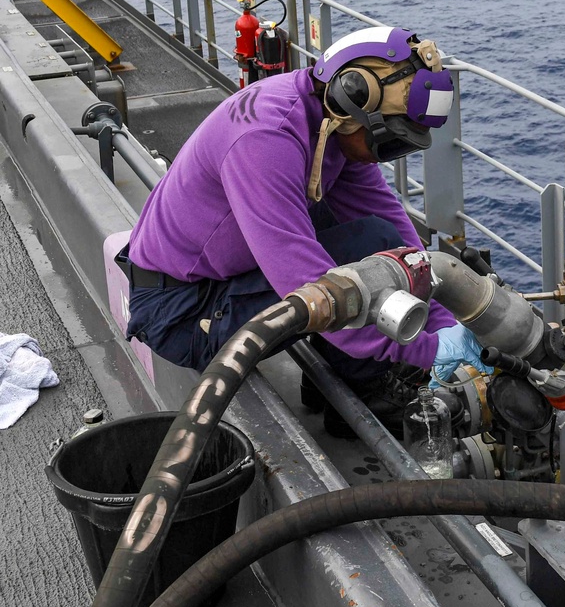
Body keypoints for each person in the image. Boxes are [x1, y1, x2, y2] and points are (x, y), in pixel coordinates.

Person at [117, 25, 489, 435]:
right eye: (389, 139)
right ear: (353, 94)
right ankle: (360, 396)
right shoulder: (266, 139)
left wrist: (442, 317)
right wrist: (429, 350)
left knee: (378, 239)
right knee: (367, 250)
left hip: (217, 278)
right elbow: (314, 290)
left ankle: (331, 381)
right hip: (183, 313)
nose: (384, 157)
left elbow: (397, 234)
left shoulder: (323, 120)